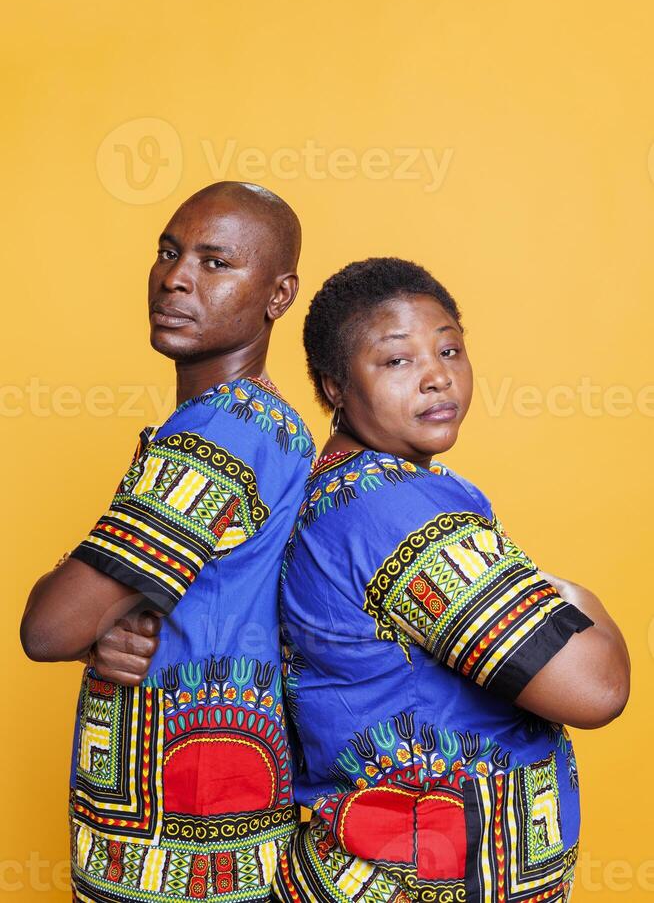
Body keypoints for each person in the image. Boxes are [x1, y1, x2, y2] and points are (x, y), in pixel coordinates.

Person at [272, 258, 630, 903]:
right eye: (397, 361)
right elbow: (595, 688)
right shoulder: (392, 511)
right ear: (333, 386)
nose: (438, 376)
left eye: (449, 349)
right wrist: (577, 596)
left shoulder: (342, 488)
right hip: (411, 879)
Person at [20, 182, 315, 903]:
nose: (176, 276)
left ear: (279, 296)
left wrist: (87, 611)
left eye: (217, 263)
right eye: (169, 252)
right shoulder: (273, 424)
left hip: (183, 839)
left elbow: (47, 625)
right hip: (221, 822)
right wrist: (106, 624)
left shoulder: (221, 435)